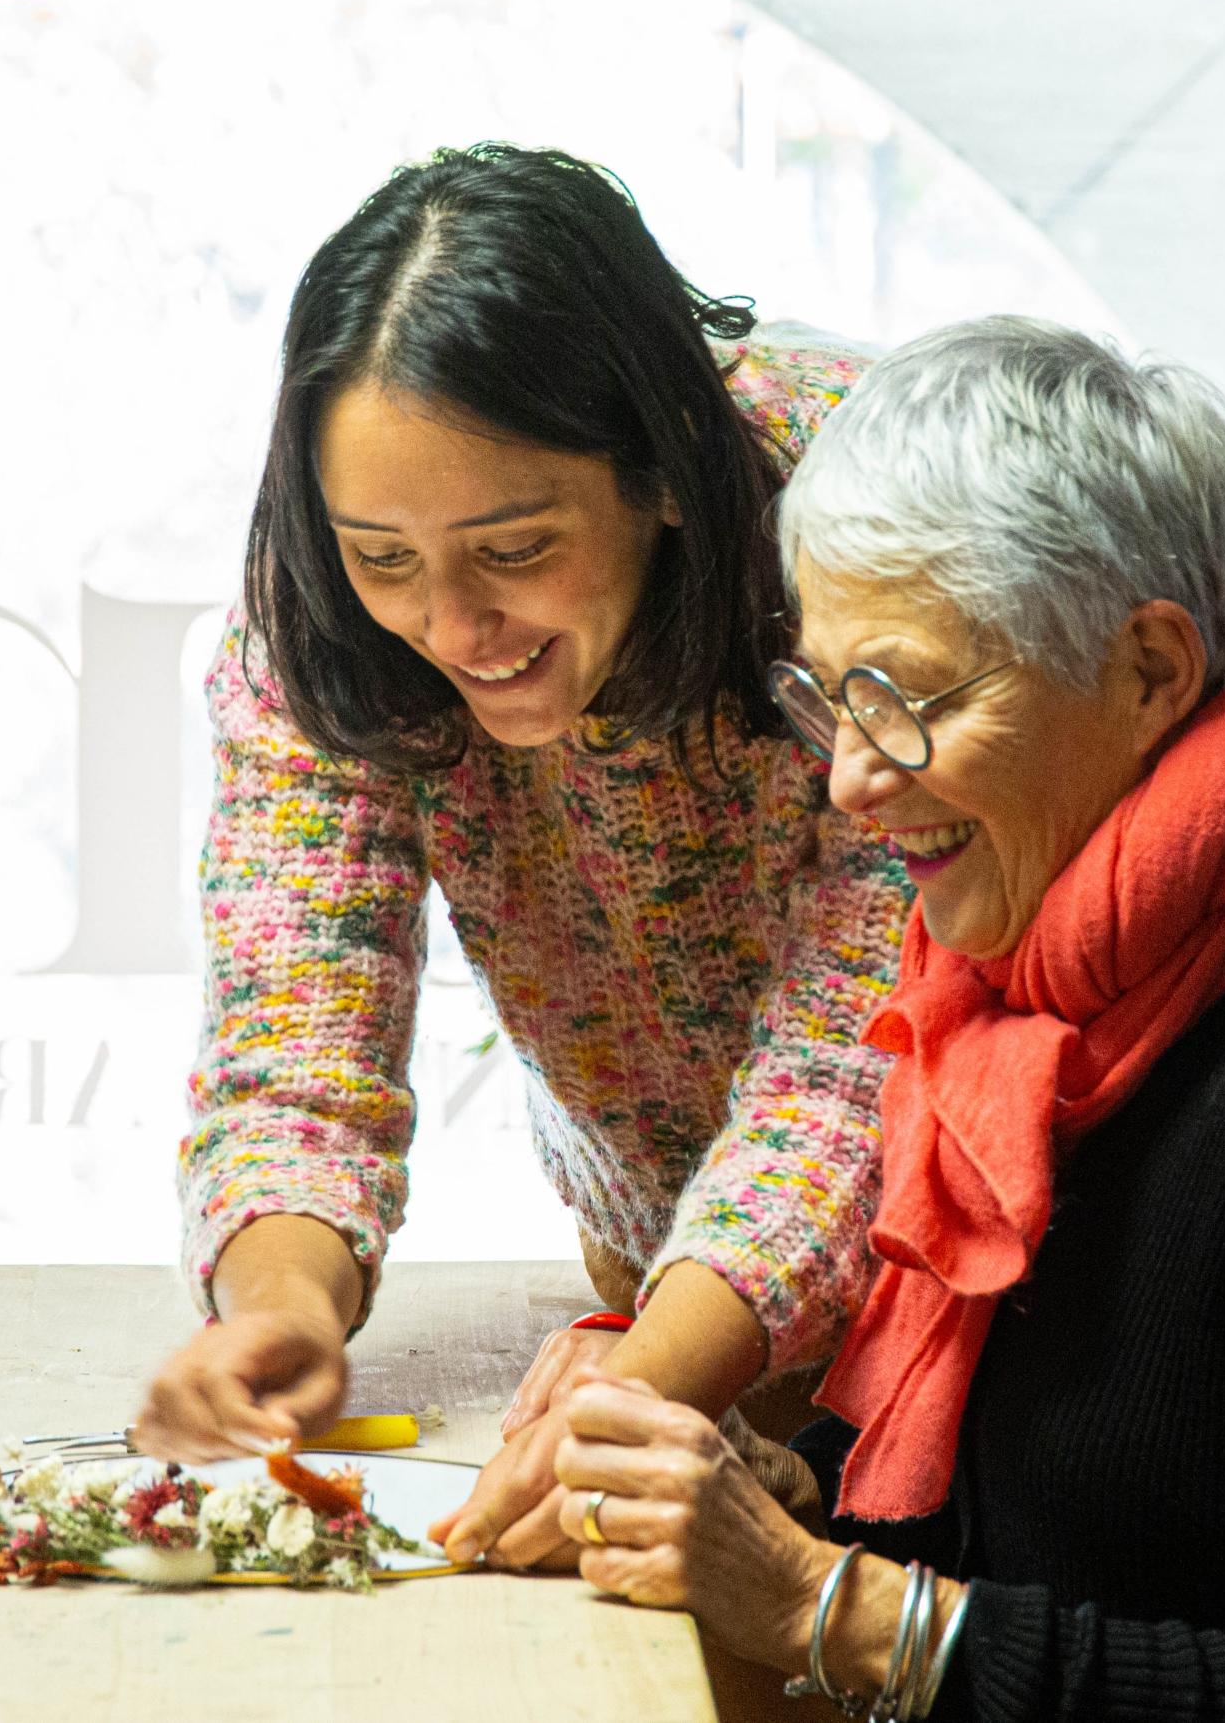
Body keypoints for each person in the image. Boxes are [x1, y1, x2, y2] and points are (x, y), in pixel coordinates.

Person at [551, 316, 1225, 1717]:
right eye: (829, 702)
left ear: (1148, 669)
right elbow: (1066, 1541)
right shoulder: (1020, 992)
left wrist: (817, 1601)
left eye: (903, 700)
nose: (850, 781)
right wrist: (794, 1506)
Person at [131, 144, 911, 1566]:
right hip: (662, 1271)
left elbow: (860, 1059)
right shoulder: (320, 626)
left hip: (990, 1292)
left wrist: (648, 1372)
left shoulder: (866, 529)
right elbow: (295, 1025)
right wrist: (280, 1313)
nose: (451, 623)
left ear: (664, 464)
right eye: (384, 557)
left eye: (512, 547)